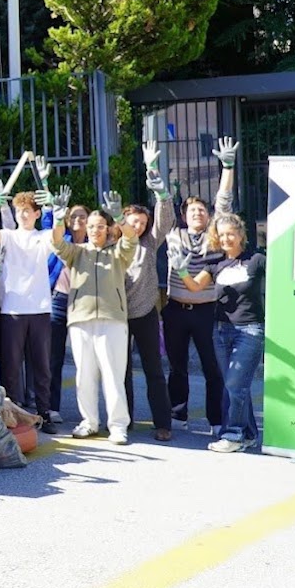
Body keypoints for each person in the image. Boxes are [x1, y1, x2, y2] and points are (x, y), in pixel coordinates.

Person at [47, 188, 137, 444]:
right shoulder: (77, 252)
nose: (96, 230)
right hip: (80, 320)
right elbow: (56, 242)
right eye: (91, 226)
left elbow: (131, 239)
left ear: (107, 229)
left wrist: (119, 217)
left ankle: (117, 425)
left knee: (113, 375)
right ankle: (89, 421)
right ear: (85, 229)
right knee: (84, 375)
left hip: (112, 320)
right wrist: (58, 217)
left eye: (100, 226)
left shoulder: (117, 252)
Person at [163, 136, 237, 432]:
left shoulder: (214, 235)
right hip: (175, 309)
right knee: (176, 367)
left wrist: (227, 167)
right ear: (183, 216)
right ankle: (177, 414)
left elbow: (224, 202)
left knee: (212, 368)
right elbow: (162, 206)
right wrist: (154, 173)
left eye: (202, 210)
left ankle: (216, 420)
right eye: (192, 211)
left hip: (207, 310)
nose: (197, 213)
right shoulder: (173, 233)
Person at [175, 212, 266, 453]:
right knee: (234, 386)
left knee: (235, 384)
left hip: (250, 330)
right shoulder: (215, 263)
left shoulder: (257, 259)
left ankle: (232, 435)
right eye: (221, 235)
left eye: (230, 234)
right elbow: (195, 287)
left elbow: (280, 282)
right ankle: (248, 434)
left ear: (240, 235)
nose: (226, 239)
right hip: (221, 331)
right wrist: (182, 271)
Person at [0, 172, 59, 434]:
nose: (23, 214)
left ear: (36, 213)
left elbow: (58, 236)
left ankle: (44, 413)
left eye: (27, 210)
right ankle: (12, 413)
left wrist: (56, 210)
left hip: (40, 309)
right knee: (11, 366)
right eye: (19, 210)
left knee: (42, 366)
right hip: (12, 309)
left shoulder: (43, 236)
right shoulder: (9, 235)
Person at [120, 138, 177, 441]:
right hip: (118, 315)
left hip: (145, 313)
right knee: (122, 371)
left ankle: (163, 423)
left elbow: (165, 221)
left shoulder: (149, 242)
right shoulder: (113, 244)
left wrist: (158, 186)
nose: (139, 226)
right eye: (134, 221)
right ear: (123, 220)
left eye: (143, 222)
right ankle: (124, 420)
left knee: (154, 371)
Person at [47, 202, 88, 423]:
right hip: (59, 300)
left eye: (82, 216)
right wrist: (52, 211)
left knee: (85, 359)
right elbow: (49, 230)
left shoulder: (95, 243)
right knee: (54, 357)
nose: (77, 220)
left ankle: (88, 413)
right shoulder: (63, 239)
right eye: (73, 216)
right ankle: (52, 408)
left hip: (85, 303)